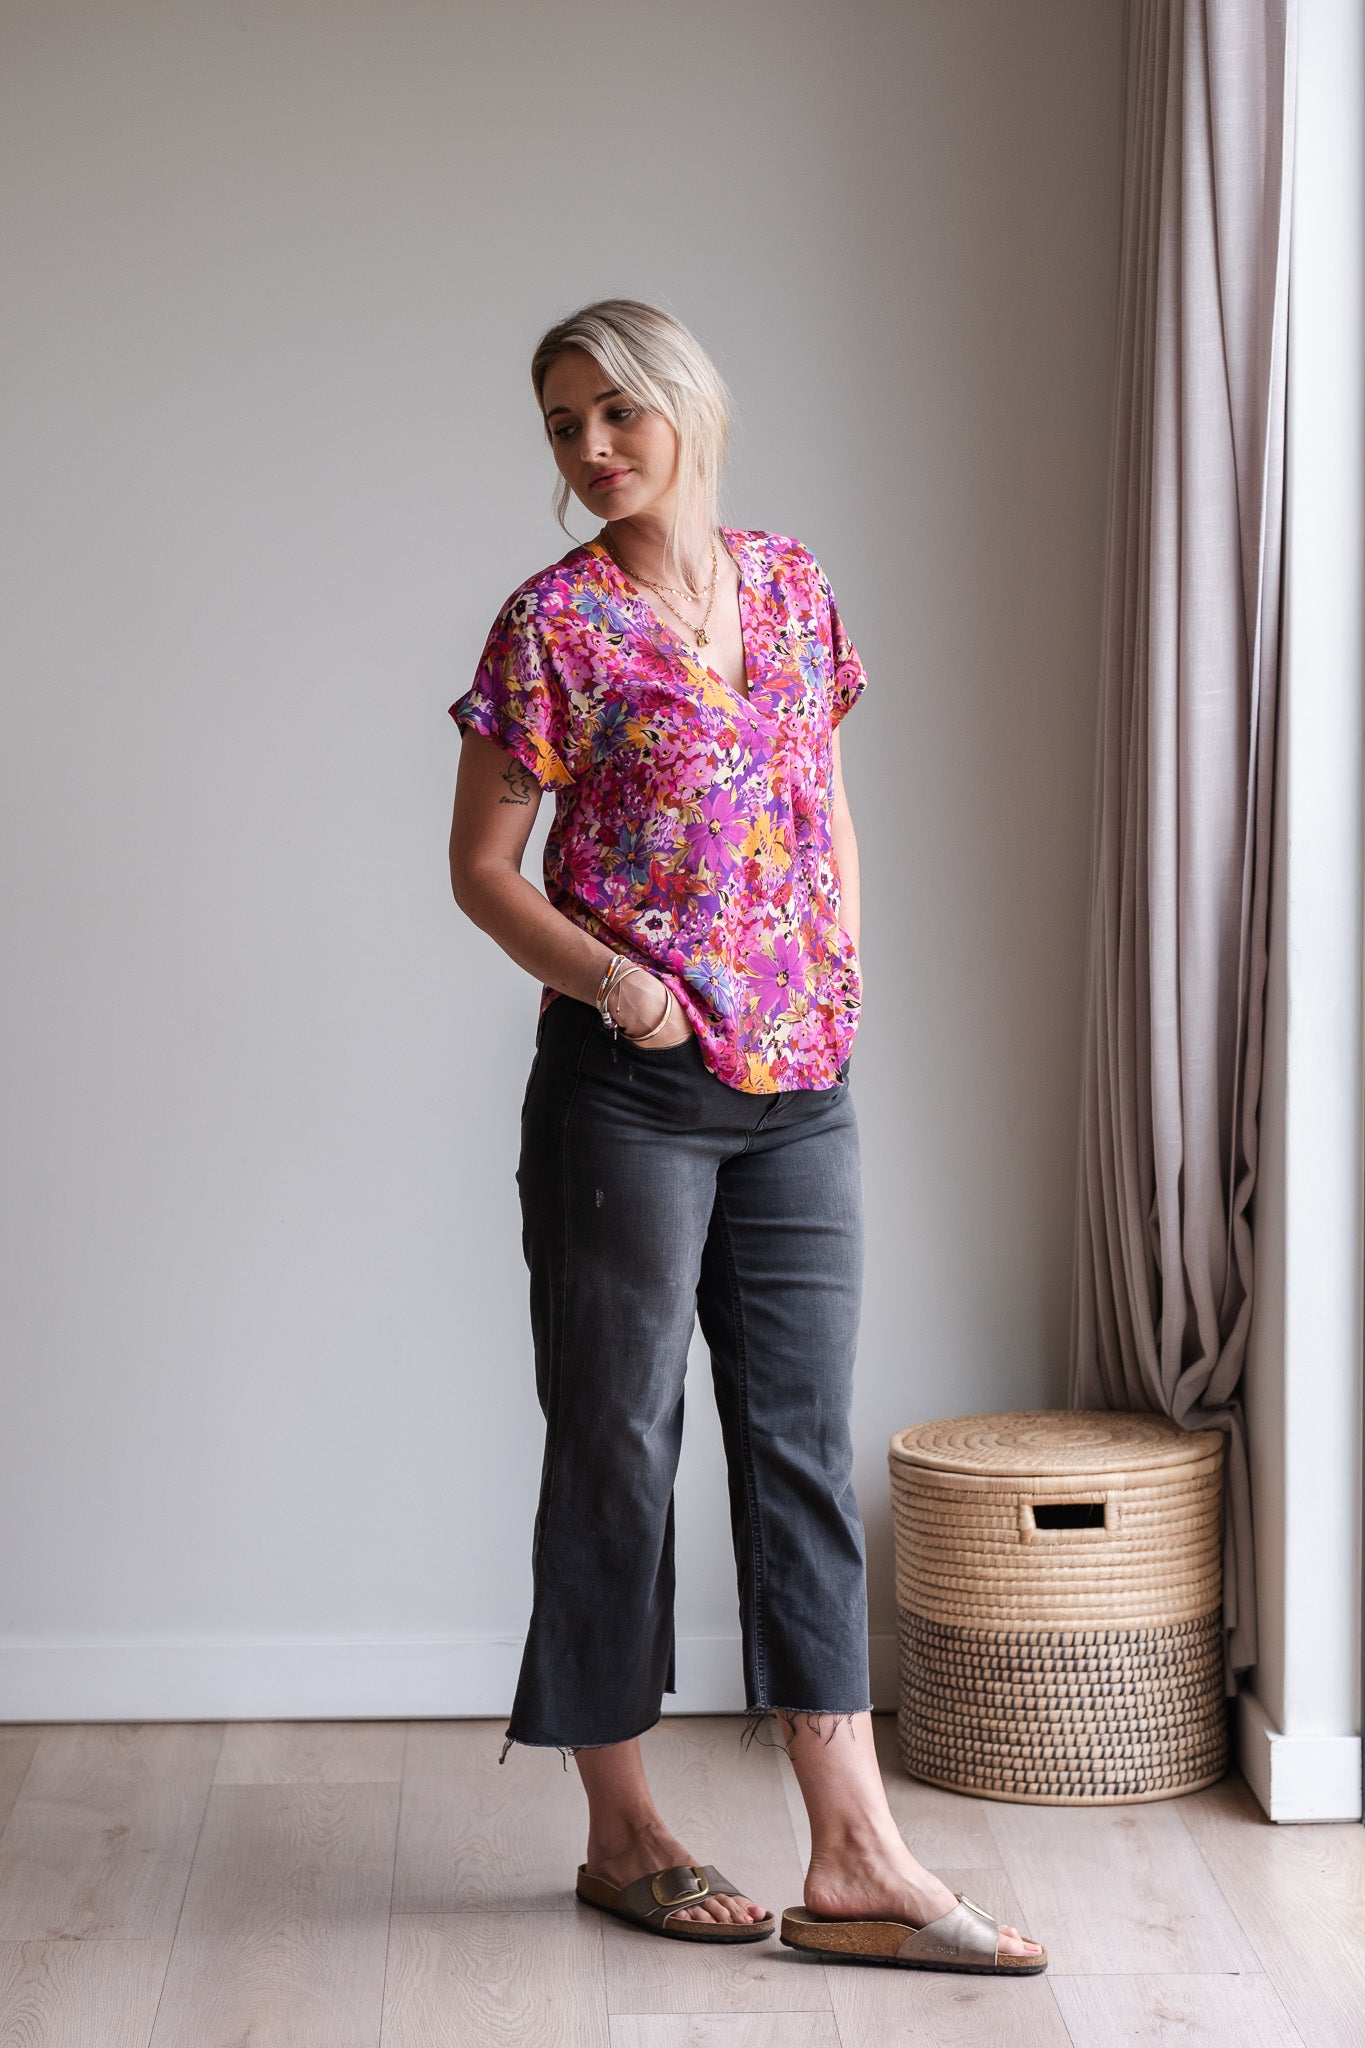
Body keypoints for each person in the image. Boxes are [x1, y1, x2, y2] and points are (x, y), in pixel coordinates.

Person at [446, 299, 1045, 1976]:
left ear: (687, 408)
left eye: (615, 412)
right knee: (617, 1441)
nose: (590, 447)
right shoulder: (552, 625)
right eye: (561, 424)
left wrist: (841, 967)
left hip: (801, 1091)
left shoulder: (789, 584)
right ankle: (620, 1830)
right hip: (628, 1093)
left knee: (796, 1447)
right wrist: (621, 988)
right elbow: (481, 871)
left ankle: (853, 1851)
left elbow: (817, 799)